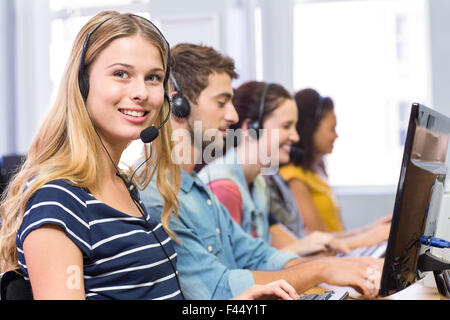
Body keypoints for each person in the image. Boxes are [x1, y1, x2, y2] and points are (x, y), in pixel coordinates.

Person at [0, 11, 295, 301]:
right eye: (121, 74)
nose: (140, 92)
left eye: (153, 78)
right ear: (82, 83)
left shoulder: (124, 186)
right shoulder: (58, 201)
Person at [140, 44, 382, 300]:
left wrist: (335, 267)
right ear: (178, 104)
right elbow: (217, 288)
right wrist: (323, 269)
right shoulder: (159, 194)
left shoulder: (197, 189)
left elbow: (255, 254)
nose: (232, 115)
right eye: (222, 102)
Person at [198, 81, 350, 256]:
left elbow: (259, 258)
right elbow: (233, 274)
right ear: (251, 128)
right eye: (286, 126)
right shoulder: (223, 188)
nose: (296, 136)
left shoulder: (259, 182)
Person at [278, 88, 390, 248]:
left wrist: (371, 229)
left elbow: (333, 234)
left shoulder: (316, 171)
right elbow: (321, 240)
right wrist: (369, 235)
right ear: (311, 130)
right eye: (332, 129)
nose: (336, 135)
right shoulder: (294, 178)